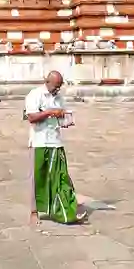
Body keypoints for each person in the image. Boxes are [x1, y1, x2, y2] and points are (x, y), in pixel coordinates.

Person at [25, 71, 86, 226]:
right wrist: (51, 112)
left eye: (59, 87)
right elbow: (31, 117)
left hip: (56, 142)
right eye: (55, 86)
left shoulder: (59, 98)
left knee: (61, 177)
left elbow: (61, 117)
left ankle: (64, 208)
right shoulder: (35, 95)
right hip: (39, 142)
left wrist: (65, 120)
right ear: (47, 81)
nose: (57, 90)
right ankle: (34, 212)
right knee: (37, 178)